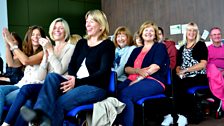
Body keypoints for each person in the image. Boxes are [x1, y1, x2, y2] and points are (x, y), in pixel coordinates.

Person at [20, 9, 115, 126]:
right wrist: (71, 79)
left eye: (92, 21)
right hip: (75, 82)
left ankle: (42, 119)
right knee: (52, 77)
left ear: (101, 25)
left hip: (95, 87)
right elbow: (72, 65)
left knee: (58, 103)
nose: (87, 24)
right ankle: (39, 113)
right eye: (87, 21)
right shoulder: (81, 43)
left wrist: (77, 82)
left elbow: (103, 73)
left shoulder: (107, 45)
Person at [1, 18, 75, 126]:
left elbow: (59, 71)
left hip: (56, 86)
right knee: (23, 98)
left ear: (66, 31)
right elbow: (41, 76)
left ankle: (6, 123)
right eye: (54, 27)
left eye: (61, 28)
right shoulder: (49, 48)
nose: (57, 30)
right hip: (39, 84)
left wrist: (49, 51)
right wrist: (45, 58)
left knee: (27, 95)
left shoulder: (70, 47)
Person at [117, 21, 169, 126]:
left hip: (154, 80)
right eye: (146, 30)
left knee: (125, 94)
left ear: (155, 34)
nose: (149, 32)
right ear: (141, 33)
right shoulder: (136, 50)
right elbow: (127, 68)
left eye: (152, 31)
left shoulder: (159, 47)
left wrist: (138, 79)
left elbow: (155, 67)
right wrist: (137, 71)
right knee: (113, 93)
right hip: (132, 79)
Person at [0, 26, 45, 123]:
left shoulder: (43, 52)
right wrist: (7, 44)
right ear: (29, 37)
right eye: (33, 35)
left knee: (3, 99)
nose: (35, 37)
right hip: (19, 85)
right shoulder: (26, 53)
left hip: (29, 88)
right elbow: (11, 63)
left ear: (43, 37)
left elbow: (26, 61)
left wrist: (12, 43)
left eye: (38, 35)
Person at [172, 22, 208, 126]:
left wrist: (186, 70)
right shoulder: (182, 47)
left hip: (199, 75)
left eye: (194, 31)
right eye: (189, 30)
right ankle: (174, 114)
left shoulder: (201, 44)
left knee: (181, 84)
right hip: (184, 75)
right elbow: (178, 65)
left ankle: (185, 115)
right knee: (173, 82)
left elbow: (203, 64)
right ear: (186, 32)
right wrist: (179, 71)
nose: (191, 33)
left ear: (197, 33)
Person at [206, 27, 224, 112]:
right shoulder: (207, 49)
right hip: (213, 73)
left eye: (218, 34)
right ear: (211, 37)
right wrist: (217, 72)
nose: (217, 36)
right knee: (211, 67)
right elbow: (206, 64)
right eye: (214, 34)